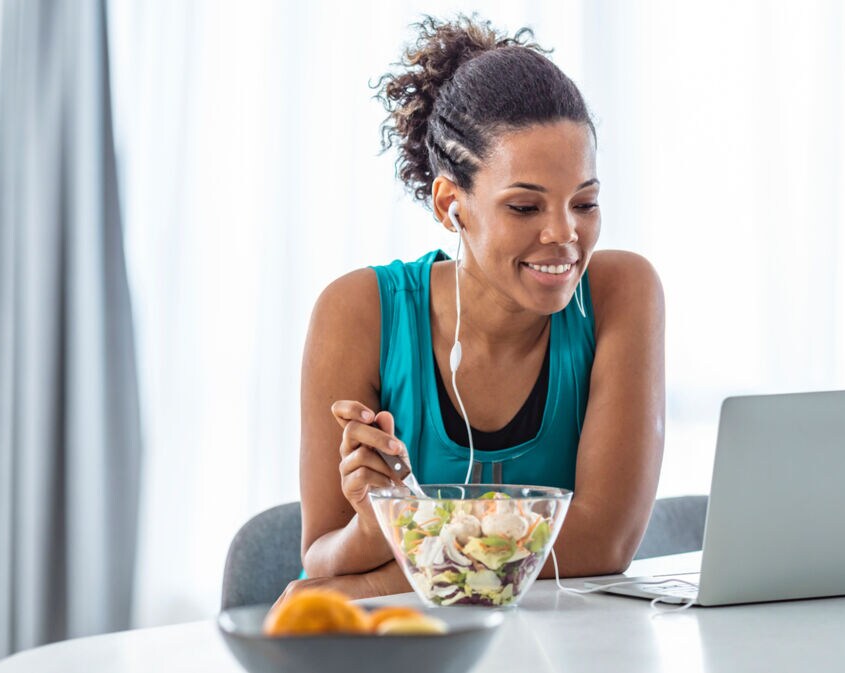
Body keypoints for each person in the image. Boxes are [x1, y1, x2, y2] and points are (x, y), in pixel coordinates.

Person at [277, 15, 664, 603]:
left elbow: (603, 545)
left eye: (584, 202)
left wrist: (372, 584)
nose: (565, 234)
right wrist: (376, 518)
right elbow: (323, 558)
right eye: (525, 208)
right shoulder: (357, 312)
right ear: (451, 205)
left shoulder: (619, 293)